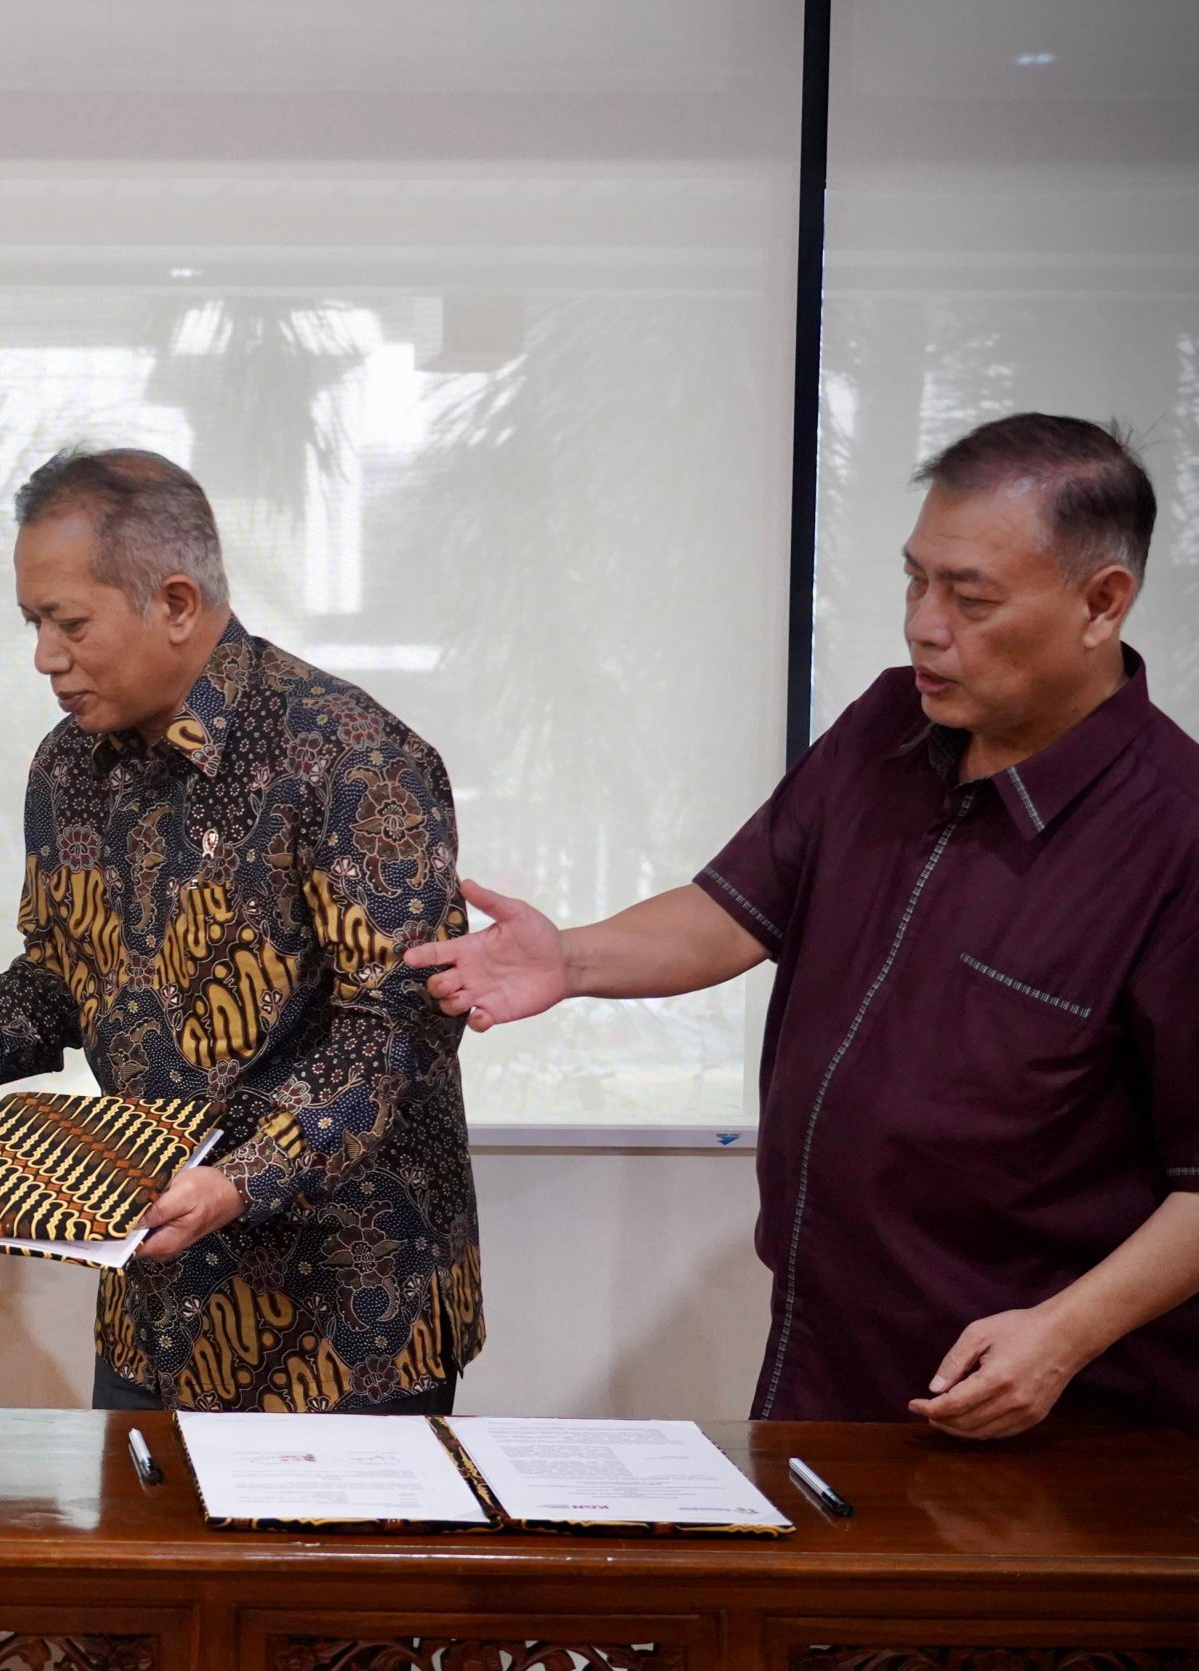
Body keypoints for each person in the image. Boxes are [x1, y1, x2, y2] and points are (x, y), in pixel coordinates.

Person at [410, 413, 1199, 1438]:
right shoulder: (888, 725)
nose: (924, 625)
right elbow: (734, 909)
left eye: (970, 598)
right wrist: (572, 959)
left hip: (1046, 1398)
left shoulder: (1174, 835)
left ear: (1102, 603)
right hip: (825, 1353)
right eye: (914, 580)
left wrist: (1063, 1333)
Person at [0, 449, 482, 1413]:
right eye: (33, 624)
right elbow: (54, 986)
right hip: (154, 1306)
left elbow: (400, 1029)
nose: (45, 656)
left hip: (348, 1321)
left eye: (69, 623)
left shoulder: (353, 757)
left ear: (177, 602)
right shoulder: (69, 767)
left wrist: (239, 1181)